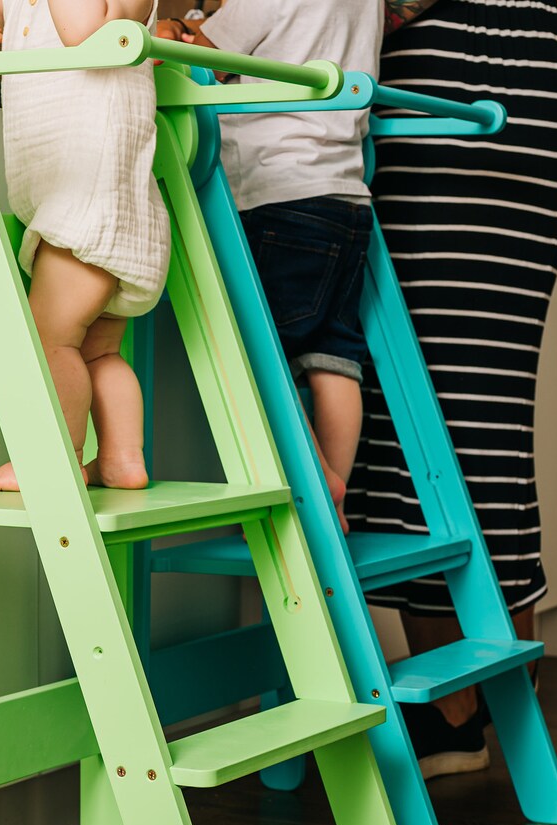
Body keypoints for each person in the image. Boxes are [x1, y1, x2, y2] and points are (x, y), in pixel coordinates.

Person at [346, 0, 557, 778]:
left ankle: (465, 708)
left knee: (442, 405)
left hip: (441, 70)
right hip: (524, 64)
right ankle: (490, 700)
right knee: (481, 402)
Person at [157, 0, 380, 530]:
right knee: (333, 354)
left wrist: (182, 31)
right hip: (344, 195)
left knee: (260, 351)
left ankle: (315, 476)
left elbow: (207, 57)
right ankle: (336, 492)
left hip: (278, 196)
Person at [0, 0, 170, 492]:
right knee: (98, 353)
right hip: (83, 199)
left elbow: (83, 32)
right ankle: (121, 459)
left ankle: (55, 459)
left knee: (49, 340)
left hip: (90, 199)